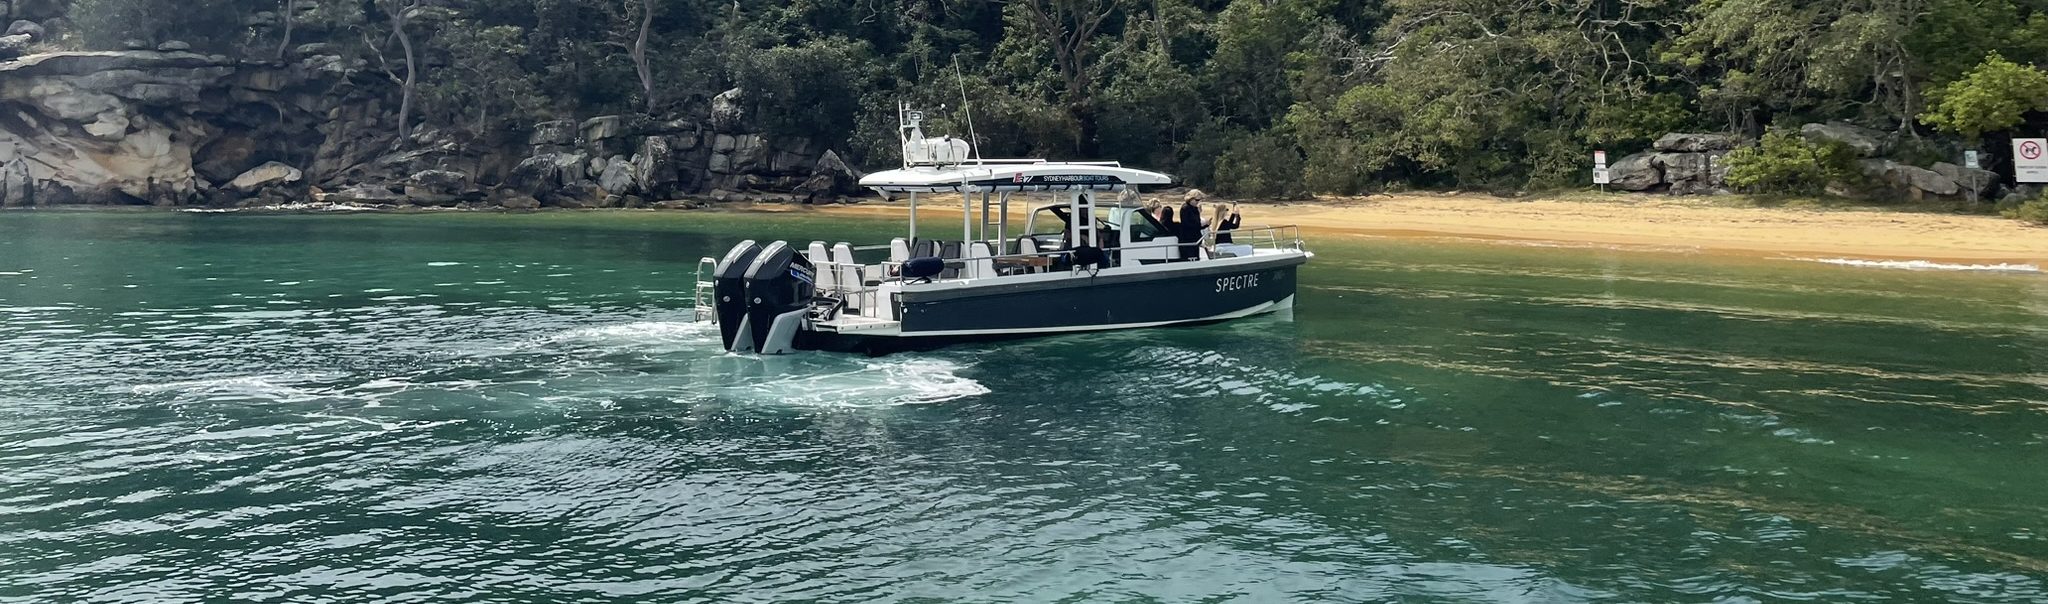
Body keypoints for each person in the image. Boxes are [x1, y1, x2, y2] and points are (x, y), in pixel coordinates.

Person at [1177, 190, 1207, 261]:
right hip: (1188, 239)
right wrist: (1202, 226)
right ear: (1191, 198)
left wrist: (1205, 225)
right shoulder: (1185, 208)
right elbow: (1187, 224)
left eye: (1199, 200)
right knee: (1189, 259)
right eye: (1197, 200)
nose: (1198, 202)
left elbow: (1197, 224)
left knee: (1196, 258)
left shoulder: (1195, 209)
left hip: (1195, 239)